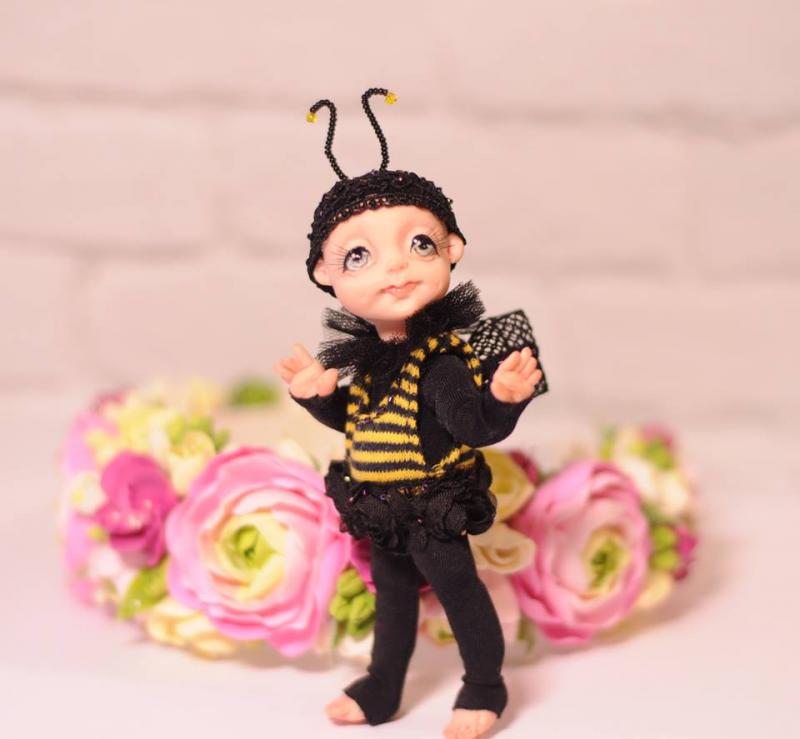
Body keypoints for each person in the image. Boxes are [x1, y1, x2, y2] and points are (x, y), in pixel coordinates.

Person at [275, 88, 546, 739]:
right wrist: (319, 396)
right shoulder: (370, 358)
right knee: (392, 595)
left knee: (458, 591)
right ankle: (383, 684)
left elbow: (470, 427)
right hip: (381, 500)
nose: (394, 265)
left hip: (429, 501)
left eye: (418, 243)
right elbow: (361, 422)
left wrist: (503, 400)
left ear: (453, 247)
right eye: (359, 255)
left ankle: (484, 684)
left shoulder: (441, 359)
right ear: (325, 274)